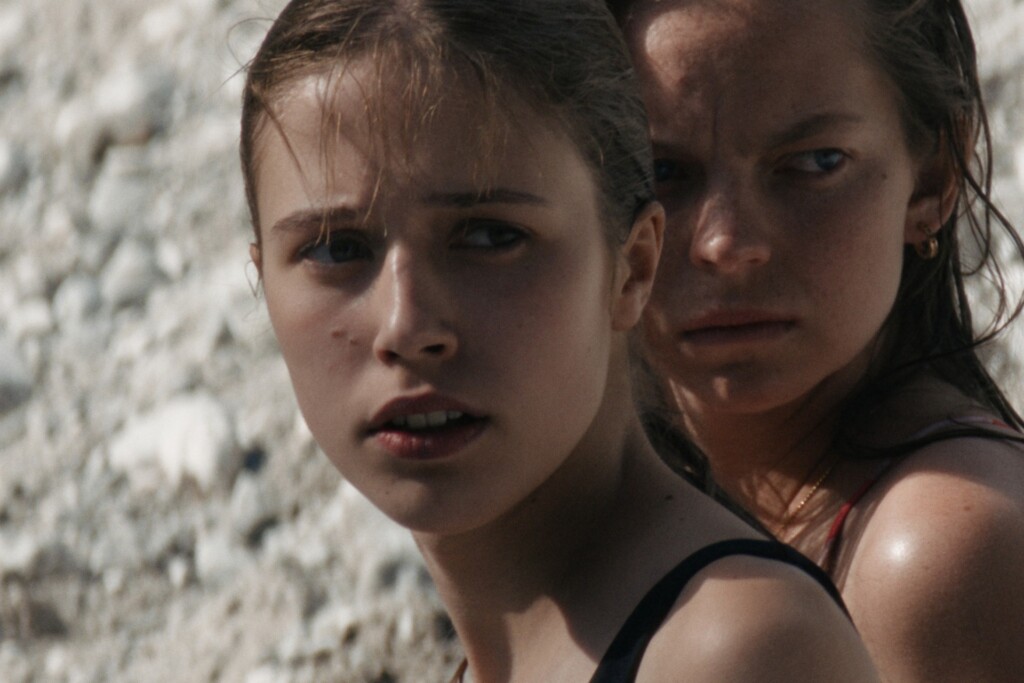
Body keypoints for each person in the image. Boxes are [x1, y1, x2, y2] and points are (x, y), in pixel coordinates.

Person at [239, 0, 880, 681]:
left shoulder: (734, 650)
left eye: (490, 237)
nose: (406, 327)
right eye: (335, 249)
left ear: (633, 266)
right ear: (261, 277)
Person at [608, 0, 1024, 679]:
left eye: (814, 162)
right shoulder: (604, 510)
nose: (726, 244)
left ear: (934, 178)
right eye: (660, 172)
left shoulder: (934, 549)